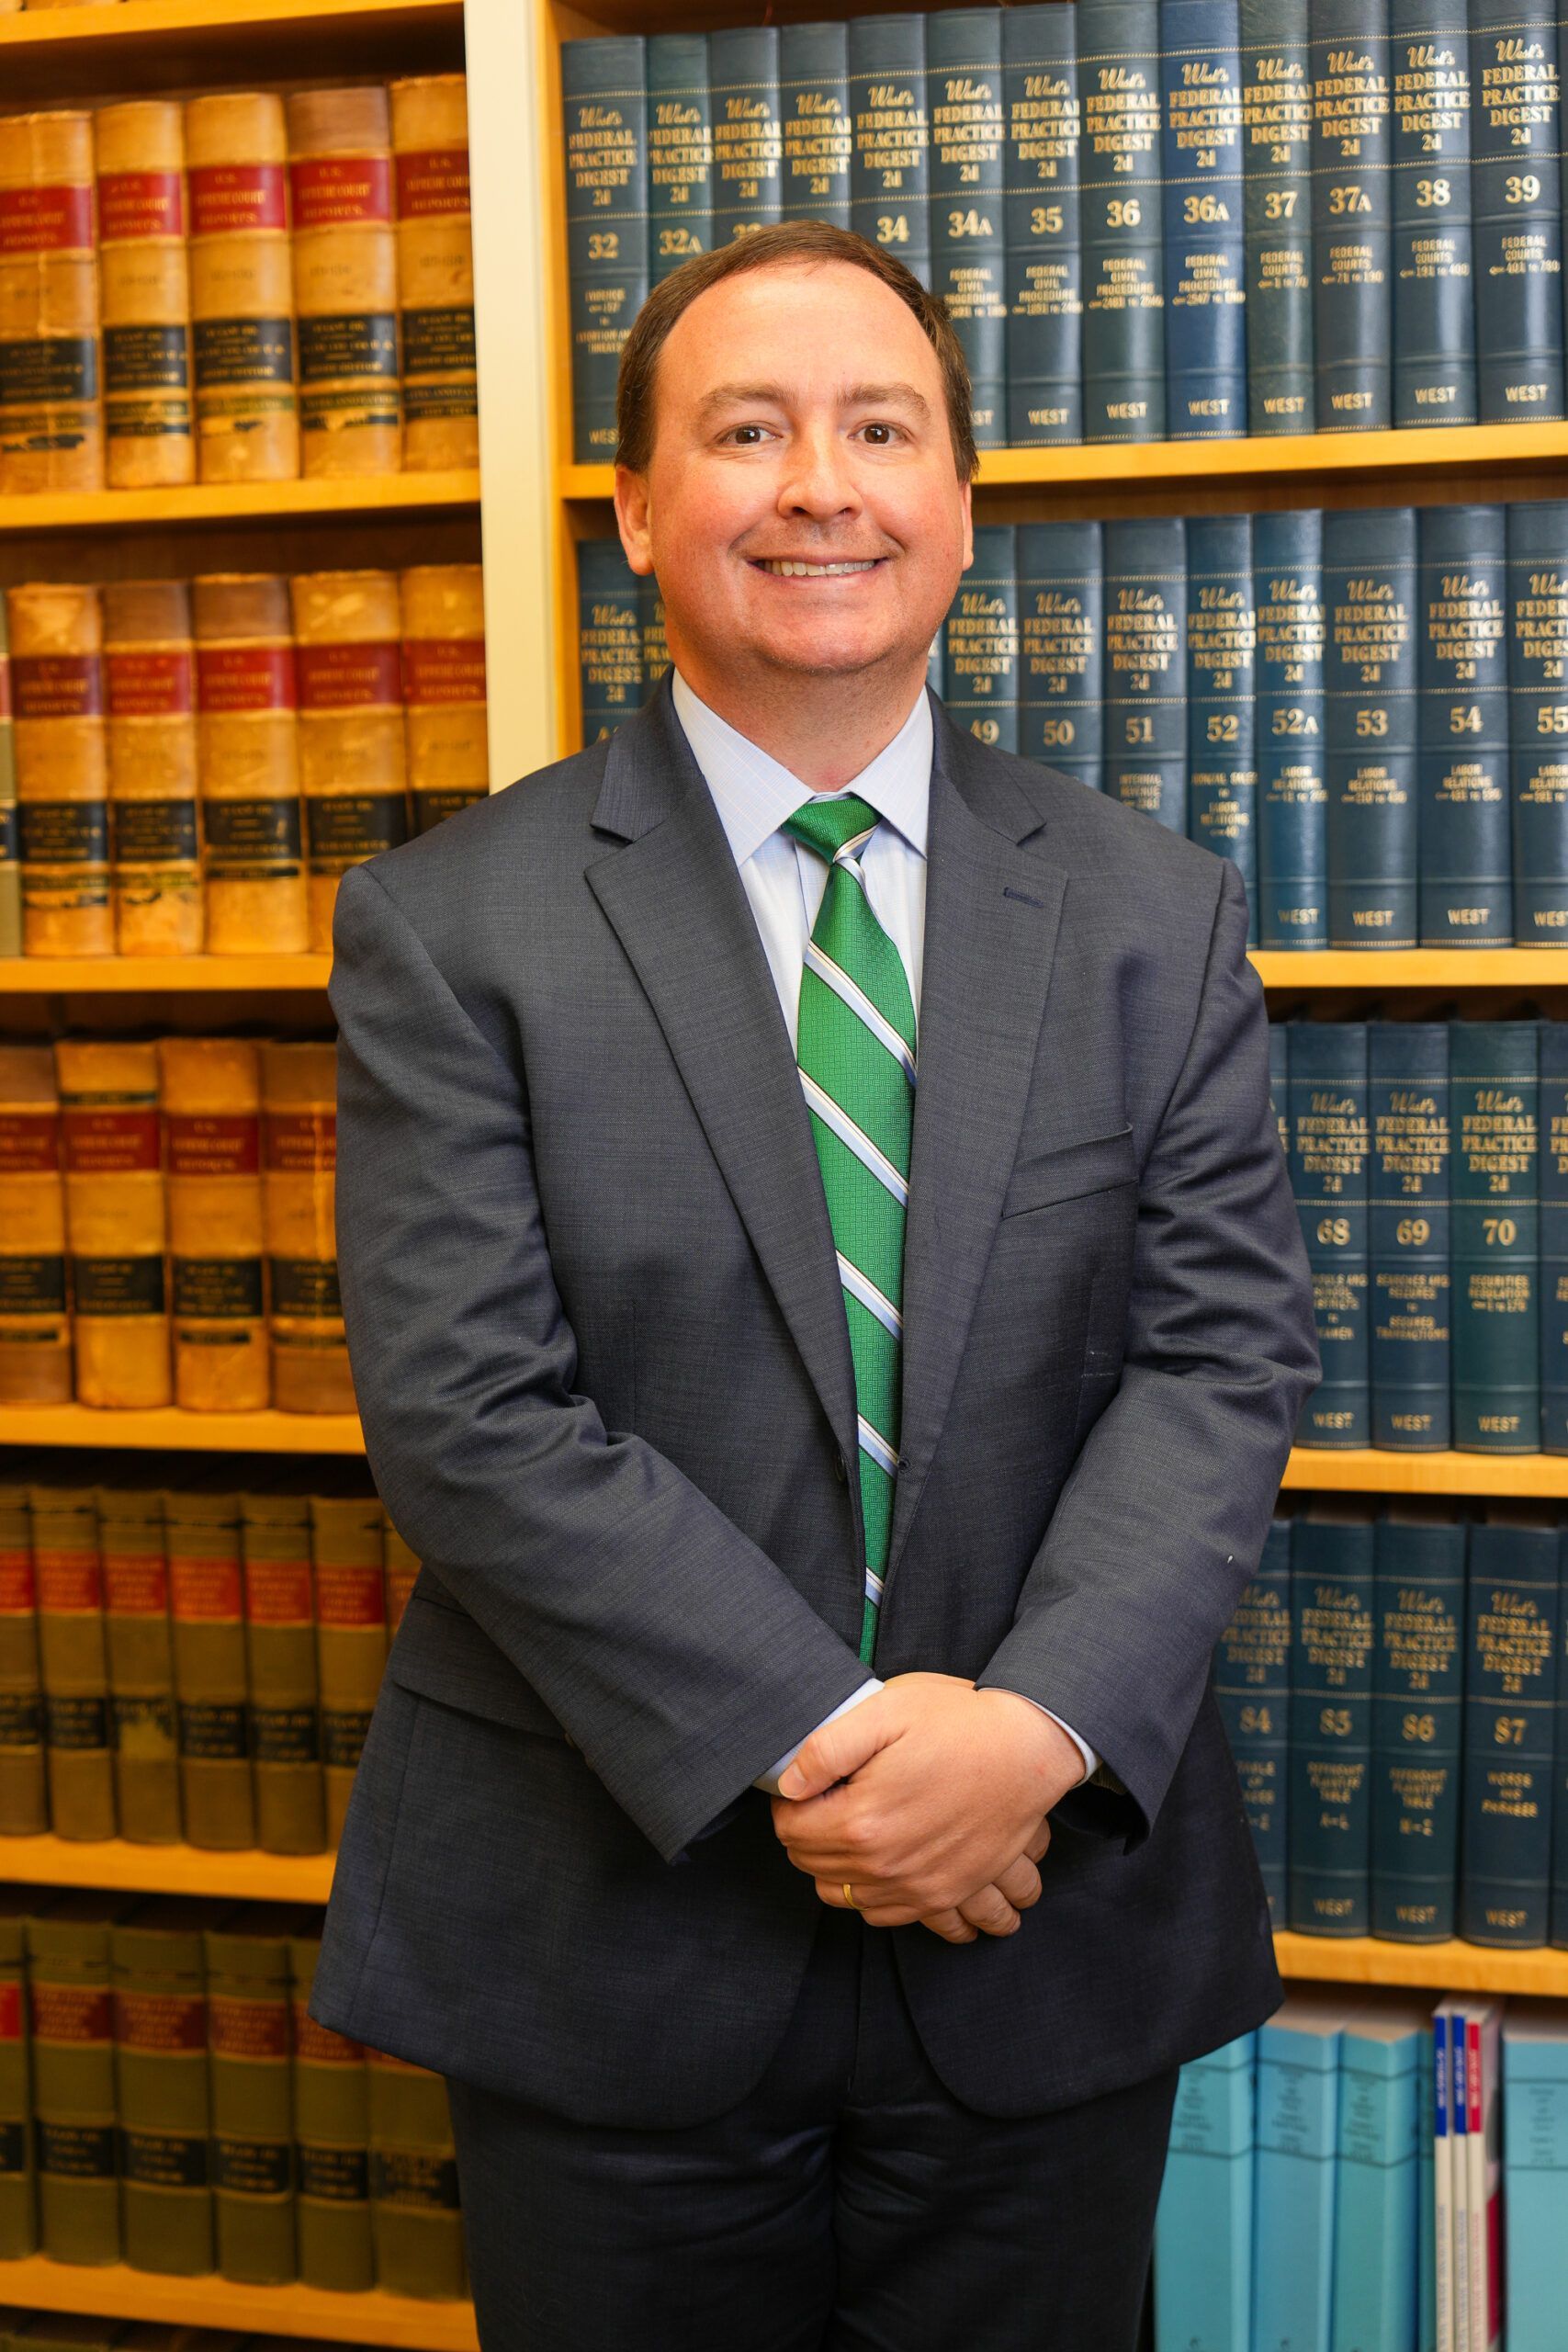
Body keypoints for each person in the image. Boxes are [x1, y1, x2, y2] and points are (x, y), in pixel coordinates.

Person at [310, 221, 1321, 2352]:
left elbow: (1220, 1356)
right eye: (745, 432)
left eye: (877, 428)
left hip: (1047, 1920)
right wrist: (863, 1755)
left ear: (956, 496)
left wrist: (1025, 1733)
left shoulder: (1150, 914)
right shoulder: (449, 925)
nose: (818, 488)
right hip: (613, 1928)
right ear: (632, 509)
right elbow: (469, 1414)